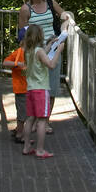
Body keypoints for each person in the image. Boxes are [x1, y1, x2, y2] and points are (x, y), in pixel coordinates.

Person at [18, 0, 71, 132]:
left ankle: (45, 121)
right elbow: (22, 35)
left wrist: (68, 19)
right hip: (36, 52)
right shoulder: (25, 9)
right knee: (36, 88)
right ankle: (33, 120)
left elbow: (63, 14)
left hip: (53, 48)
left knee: (52, 88)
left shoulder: (50, 2)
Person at [21, 24, 65, 158]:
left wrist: (50, 44)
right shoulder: (39, 51)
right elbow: (51, 65)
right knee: (41, 120)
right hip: (41, 90)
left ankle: (26, 146)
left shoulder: (28, 50)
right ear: (40, 36)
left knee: (30, 119)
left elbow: (41, 54)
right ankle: (40, 150)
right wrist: (58, 51)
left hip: (30, 89)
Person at [2, 36, 28, 143]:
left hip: (29, 88)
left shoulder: (33, 53)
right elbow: (5, 62)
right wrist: (17, 64)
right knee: (22, 113)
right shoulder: (18, 53)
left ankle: (18, 129)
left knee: (25, 112)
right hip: (21, 89)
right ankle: (19, 134)